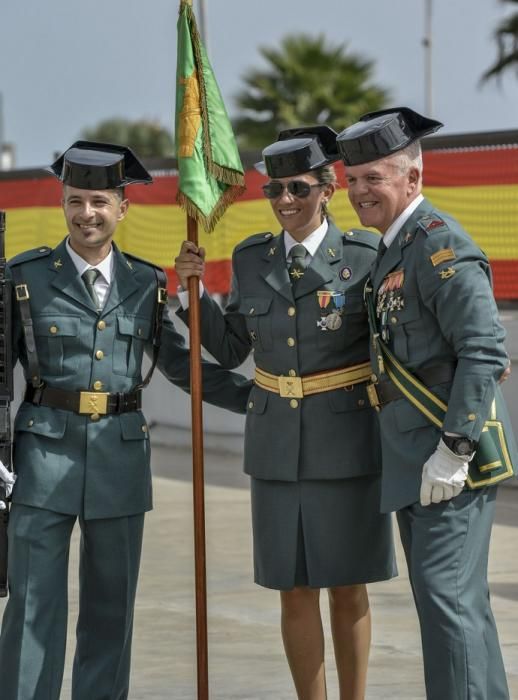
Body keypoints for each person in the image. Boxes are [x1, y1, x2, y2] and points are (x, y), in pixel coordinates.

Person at [0, 141, 251, 700]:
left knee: (112, 611)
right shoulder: (26, 277)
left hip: (120, 460)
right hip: (42, 461)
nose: (85, 214)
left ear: (121, 208)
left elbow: (182, 368)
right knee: (34, 606)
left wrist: (264, 400)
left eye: (97, 202)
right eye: (74, 202)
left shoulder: (143, 283)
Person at [174, 126, 396, 700]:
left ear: (327, 189)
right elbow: (229, 349)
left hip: (347, 444)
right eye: (273, 191)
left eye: (297, 187)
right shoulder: (251, 259)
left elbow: (396, 339)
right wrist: (191, 293)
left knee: (347, 587)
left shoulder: (365, 256)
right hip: (276, 451)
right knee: (292, 589)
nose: (284, 201)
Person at [336, 107, 518, 699]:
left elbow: (485, 350)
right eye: (354, 178)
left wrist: (455, 448)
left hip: (449, 458)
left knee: (447, 601)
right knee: (453, 602)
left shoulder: (438, 245)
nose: (360, 190)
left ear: (412, 178)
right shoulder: (393, 248)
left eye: (376, 177)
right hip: (416, 455)